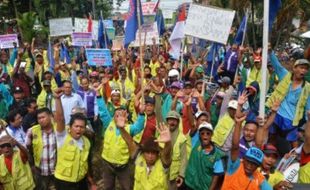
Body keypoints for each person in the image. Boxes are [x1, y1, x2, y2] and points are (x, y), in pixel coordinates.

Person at [97, 85, 145, 190]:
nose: (119, 116)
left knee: (127, 187)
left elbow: (139, 127)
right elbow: (103, 111)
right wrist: (98, 96)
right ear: (113, 116)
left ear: (126, 116)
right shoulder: (108, 123)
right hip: (107, 163)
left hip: (123, 166)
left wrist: (141, 114)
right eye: (116, 114)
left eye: (122, 114)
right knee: (108, 186)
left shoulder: (129, 128)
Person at [53, 88, 96, 190]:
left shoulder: (86, 142)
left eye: (81, 127)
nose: (79, 129)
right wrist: (57, 99)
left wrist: (91, 182)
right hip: (64, 183)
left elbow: (86, 164)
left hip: (81, 182)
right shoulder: (62, 137)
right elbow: (60, 118)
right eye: (76, 126)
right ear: (70, 126)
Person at [221, 106, 272, 189]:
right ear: (243, 159)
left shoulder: (259, 178)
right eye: (248, 161)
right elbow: (235, 147)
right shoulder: (235, 166)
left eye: (254, 164)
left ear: (258, 166)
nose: (250, 166)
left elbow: (258, 146)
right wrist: (238, 123)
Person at [267, 56, 310, 148]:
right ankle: (269, 155)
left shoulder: (307, 87)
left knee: (293, 142)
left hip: (291, 119)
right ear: (294, 68)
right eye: (301, 67)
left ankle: (295, 160)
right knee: (272, 136)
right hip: (277, 113)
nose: (303, 71)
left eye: (306, 69)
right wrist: (270, 52)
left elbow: (308, 105)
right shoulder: (285, 75)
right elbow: (277, 66)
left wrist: (308, 119)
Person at [184, 122, 225, 190]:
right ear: (199, 135)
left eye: (208, 133)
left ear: (211, 135)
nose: (205, 135)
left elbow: (216, 177)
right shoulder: (196, 141)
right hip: (189, 184)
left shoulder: (218, 156)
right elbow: (192, 123)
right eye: (202, 133)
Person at [25, 108, 57, 190]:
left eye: (43, 117)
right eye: (39, 118)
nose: (41, 120)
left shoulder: (58, 129)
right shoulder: (32, 131)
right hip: (41, 170)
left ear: (50, 116)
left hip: (57, 169)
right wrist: (32, 165)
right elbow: (28, 149)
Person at [164, 111, 187, 190]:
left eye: (174, 120)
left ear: (178, 122)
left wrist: (181, 175)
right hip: (162, 172)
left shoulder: (182, 138)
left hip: (174, 175)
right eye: (170, 120)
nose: (172, 122)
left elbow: (184, 158)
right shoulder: (162, 134)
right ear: (167, 121)